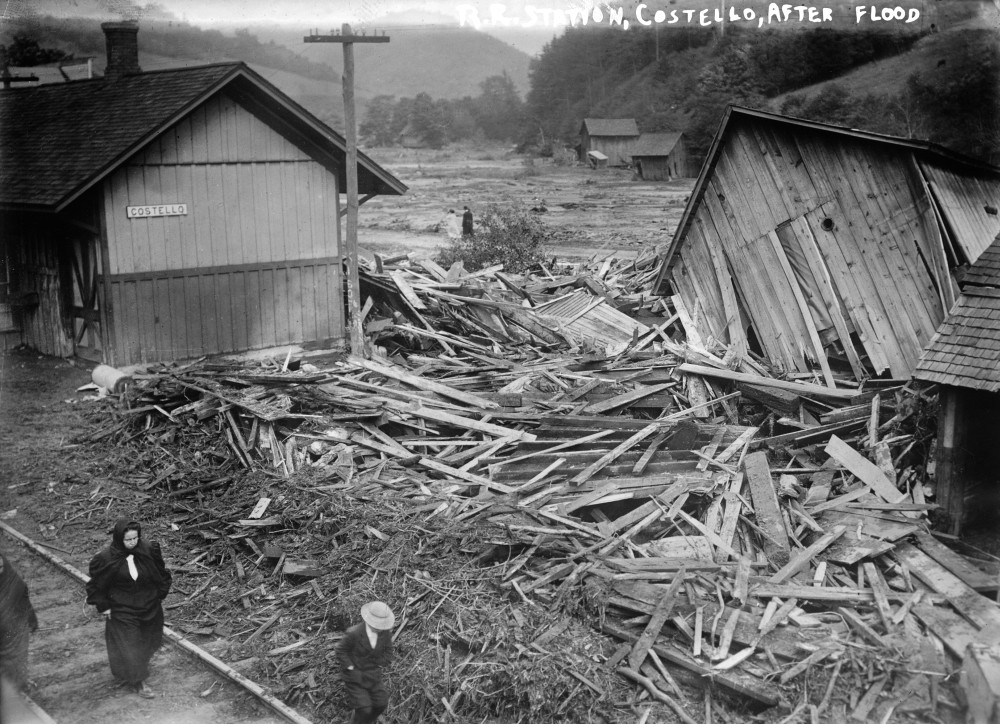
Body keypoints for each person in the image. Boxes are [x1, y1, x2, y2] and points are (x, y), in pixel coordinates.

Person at [86, 520, 171, 699]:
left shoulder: (148, 549)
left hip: (149, 604)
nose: (132, 543)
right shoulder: (106, 558)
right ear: (119, 538)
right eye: (128, 540)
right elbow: (97, 584)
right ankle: (138, 681)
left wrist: (160, 594)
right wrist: (104, 606)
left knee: (151, 639)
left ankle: (134, 669)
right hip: (122, 607)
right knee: (130, 644)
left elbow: (161, 572)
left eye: (135, 538)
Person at [336, 601, 395, 724]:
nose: (379, 628)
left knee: (381, 703)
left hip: (373, 675)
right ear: (369, 620)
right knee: (364, 709)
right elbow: (341, 650)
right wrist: (350, 667)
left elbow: (389, 652)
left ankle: (364, 722)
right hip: (355, 677)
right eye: (377, 625)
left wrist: (379, 662)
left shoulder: (385, 634)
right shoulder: (354, 633)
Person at [0, 552, 38, 691]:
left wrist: (31, 619)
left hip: (16, 627)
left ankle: (20, 683)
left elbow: (24, 600)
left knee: (20, 656)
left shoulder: (12, 579)